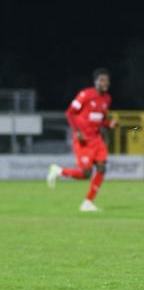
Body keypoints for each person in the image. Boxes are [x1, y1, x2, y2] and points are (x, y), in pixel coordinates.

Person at [47, 68, 118, 211]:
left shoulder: (107, 99)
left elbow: (100, 119)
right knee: (86, 173)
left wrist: (109, 124)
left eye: (107, 80)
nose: (105, 83)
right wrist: (77, 131)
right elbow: (70, 113)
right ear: (95, 82)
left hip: (97, 139)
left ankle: (87, 203)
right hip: (83, 139)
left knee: (102, 167)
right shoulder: (85, 95)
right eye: (102, 80)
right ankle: (58, 171)